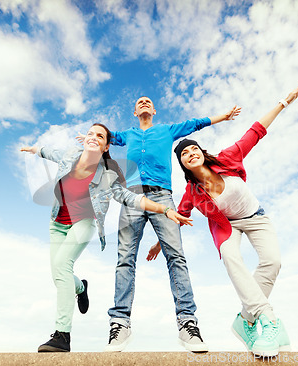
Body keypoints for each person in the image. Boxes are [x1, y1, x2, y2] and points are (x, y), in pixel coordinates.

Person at [147, 81, 298, 357]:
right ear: (183, 164)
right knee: (232, 258)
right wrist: (159, 243)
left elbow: (255, 132)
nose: (190, 153)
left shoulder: (227, 158)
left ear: (201, 151)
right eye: (184, 154)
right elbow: (180, 216)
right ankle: (267, 319)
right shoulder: (192, 193)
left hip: (255, 217)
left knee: (273, 262)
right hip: (227, 228)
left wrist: (284, 102)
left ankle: (245, 319)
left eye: (193, 149)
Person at [21, 123, 192, 353]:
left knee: (62, 267)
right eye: (90, 134)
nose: (93, 137)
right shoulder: (70, 154)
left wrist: (163, 209)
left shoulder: (108, 173)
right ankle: (81, 288)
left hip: (83, 223)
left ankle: (62, 335)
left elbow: (129, 197)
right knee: (59, 275)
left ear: (106, 146)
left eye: (99, 136)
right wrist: (34, 149)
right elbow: (49, 152)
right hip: (57, 225)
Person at [100, 97, 241, 352]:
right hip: (132, 198)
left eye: (148, 102)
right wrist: (92, 137)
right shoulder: (127, 135)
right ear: (135, 111)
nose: (144, 103)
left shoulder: (166, 130)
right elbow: (104, 136)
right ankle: (120, 323)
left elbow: (195, 124)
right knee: (124, 259)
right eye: (139, 102)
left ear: (153, 110)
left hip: (162, 195)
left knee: (176, 257)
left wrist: (223, 116)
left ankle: (188, 324)